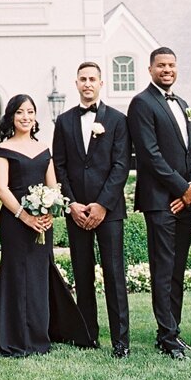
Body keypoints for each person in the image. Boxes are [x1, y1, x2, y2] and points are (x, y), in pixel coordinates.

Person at [0, 94, 93, 357]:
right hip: (15, 222)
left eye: (30, 112)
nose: (26, 117)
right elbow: (1, 188)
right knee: (16, 275)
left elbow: (53, 186)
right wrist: (25, 216)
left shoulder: (44, 149)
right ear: (11, 117)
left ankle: (39, 334)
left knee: (39, 276)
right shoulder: (2, 149)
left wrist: (49, 211)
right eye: (20, 112)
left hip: (43, 221)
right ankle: (14, 336)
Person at [50, 61, 131, 357]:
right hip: (77, 211)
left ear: (101, 83)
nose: (87, 83)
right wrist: (71, 204)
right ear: (76, 83)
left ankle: (121, 341)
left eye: (92, 79)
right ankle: (87, 335)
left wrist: (102, 205)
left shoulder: (118, 121)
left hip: (109, 211)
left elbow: (121, 165)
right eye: (82, 79)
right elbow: (59, 165)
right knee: (82, 274)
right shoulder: (65, 121)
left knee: (114, 274)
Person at [127, 46, 191, 359]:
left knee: (178, 269)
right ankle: (167, 337)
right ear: (150, 69)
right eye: (161, 65)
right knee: (163, 267)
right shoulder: (141, 103)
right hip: (160, 201)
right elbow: (149, 154)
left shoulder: (181, 103)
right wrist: (181, 188)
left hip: (185, 200)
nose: (167, 70)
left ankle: (173, 331)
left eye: (171, 65)